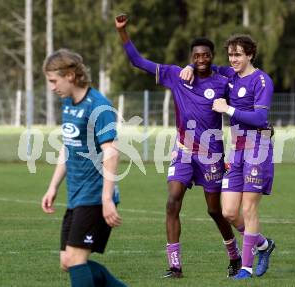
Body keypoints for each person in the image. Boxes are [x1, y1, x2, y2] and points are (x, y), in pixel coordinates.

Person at [115, 14, 243, 278]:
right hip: (183, 151)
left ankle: (235, 256)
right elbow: (137, 61)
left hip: (211, 155)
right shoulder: (176, 75)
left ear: (212, 56)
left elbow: (241, 79)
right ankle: (175, 266)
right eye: (196, 56)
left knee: (214, 210)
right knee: (172, 202)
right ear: (191, 57)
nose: (201, 60)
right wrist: (123, 31)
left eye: (205, 55)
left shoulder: (222, 81)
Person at [180, 34, 276, 280]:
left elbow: (260, 119)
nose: (233, 59)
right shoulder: (229, 75)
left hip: (258, 147)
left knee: (249, 208)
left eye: (239, 55)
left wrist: (228, 109)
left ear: (250, 55)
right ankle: (264, 245)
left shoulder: (262, 81)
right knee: (229, 212)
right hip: (237, 149)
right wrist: (190, 66)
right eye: (231, 55)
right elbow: (205, 65)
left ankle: (245, 268)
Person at [41, 49, 127, 287]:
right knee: (67, 262)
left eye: (53, 81)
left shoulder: (98, 105)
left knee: (76, 260)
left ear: (69, 75)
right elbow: (68, 147)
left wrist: (107, 197)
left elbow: (111, 152)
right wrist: (53, 187)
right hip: (76, 194)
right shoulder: (68, 104)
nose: (51, 87)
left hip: (95, 195)